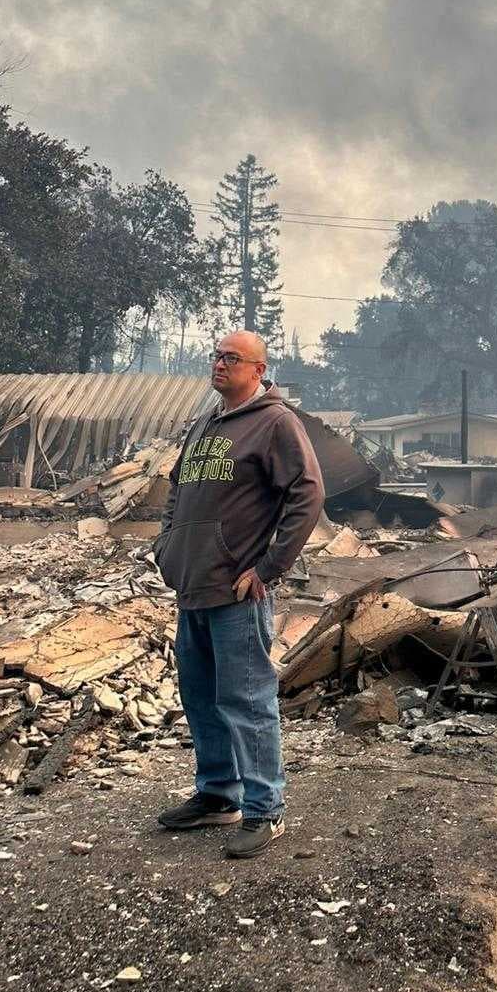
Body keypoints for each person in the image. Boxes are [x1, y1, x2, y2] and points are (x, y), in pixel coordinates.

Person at [153, 331, 325, 857]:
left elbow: (308, 493)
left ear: (258, 369)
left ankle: (264, 809)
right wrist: (167, 547)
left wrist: (269, 567)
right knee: (202, 698)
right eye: (217, 357)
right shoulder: (205, 424)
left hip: (237, 592)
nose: (220, 365)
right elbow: (178, 489)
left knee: (247, 702)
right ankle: (217, 794)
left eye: (232, 358)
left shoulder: (275, 422)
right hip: (194, 587)